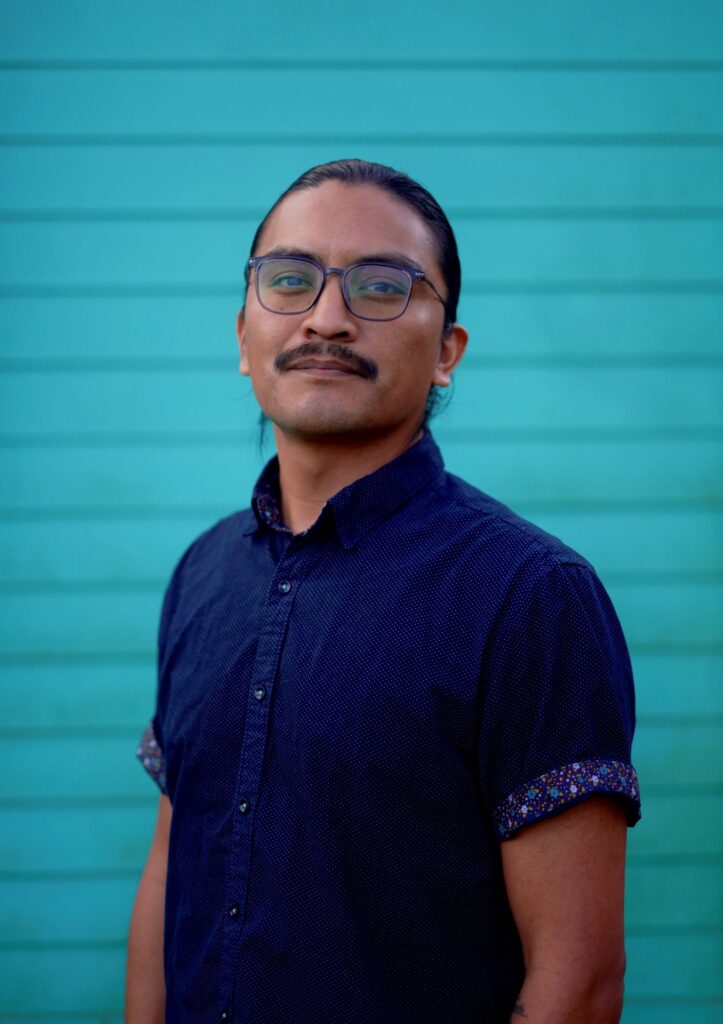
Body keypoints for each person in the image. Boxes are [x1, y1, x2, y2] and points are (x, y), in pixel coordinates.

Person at [126, 158, 641, 1024]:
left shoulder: (529, 597)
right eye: (289, 280)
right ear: (243, 335)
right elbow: (172, 870)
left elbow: (578, 984)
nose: (326, 318)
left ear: (447, 351)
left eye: (380, 287)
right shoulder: (203, 573)